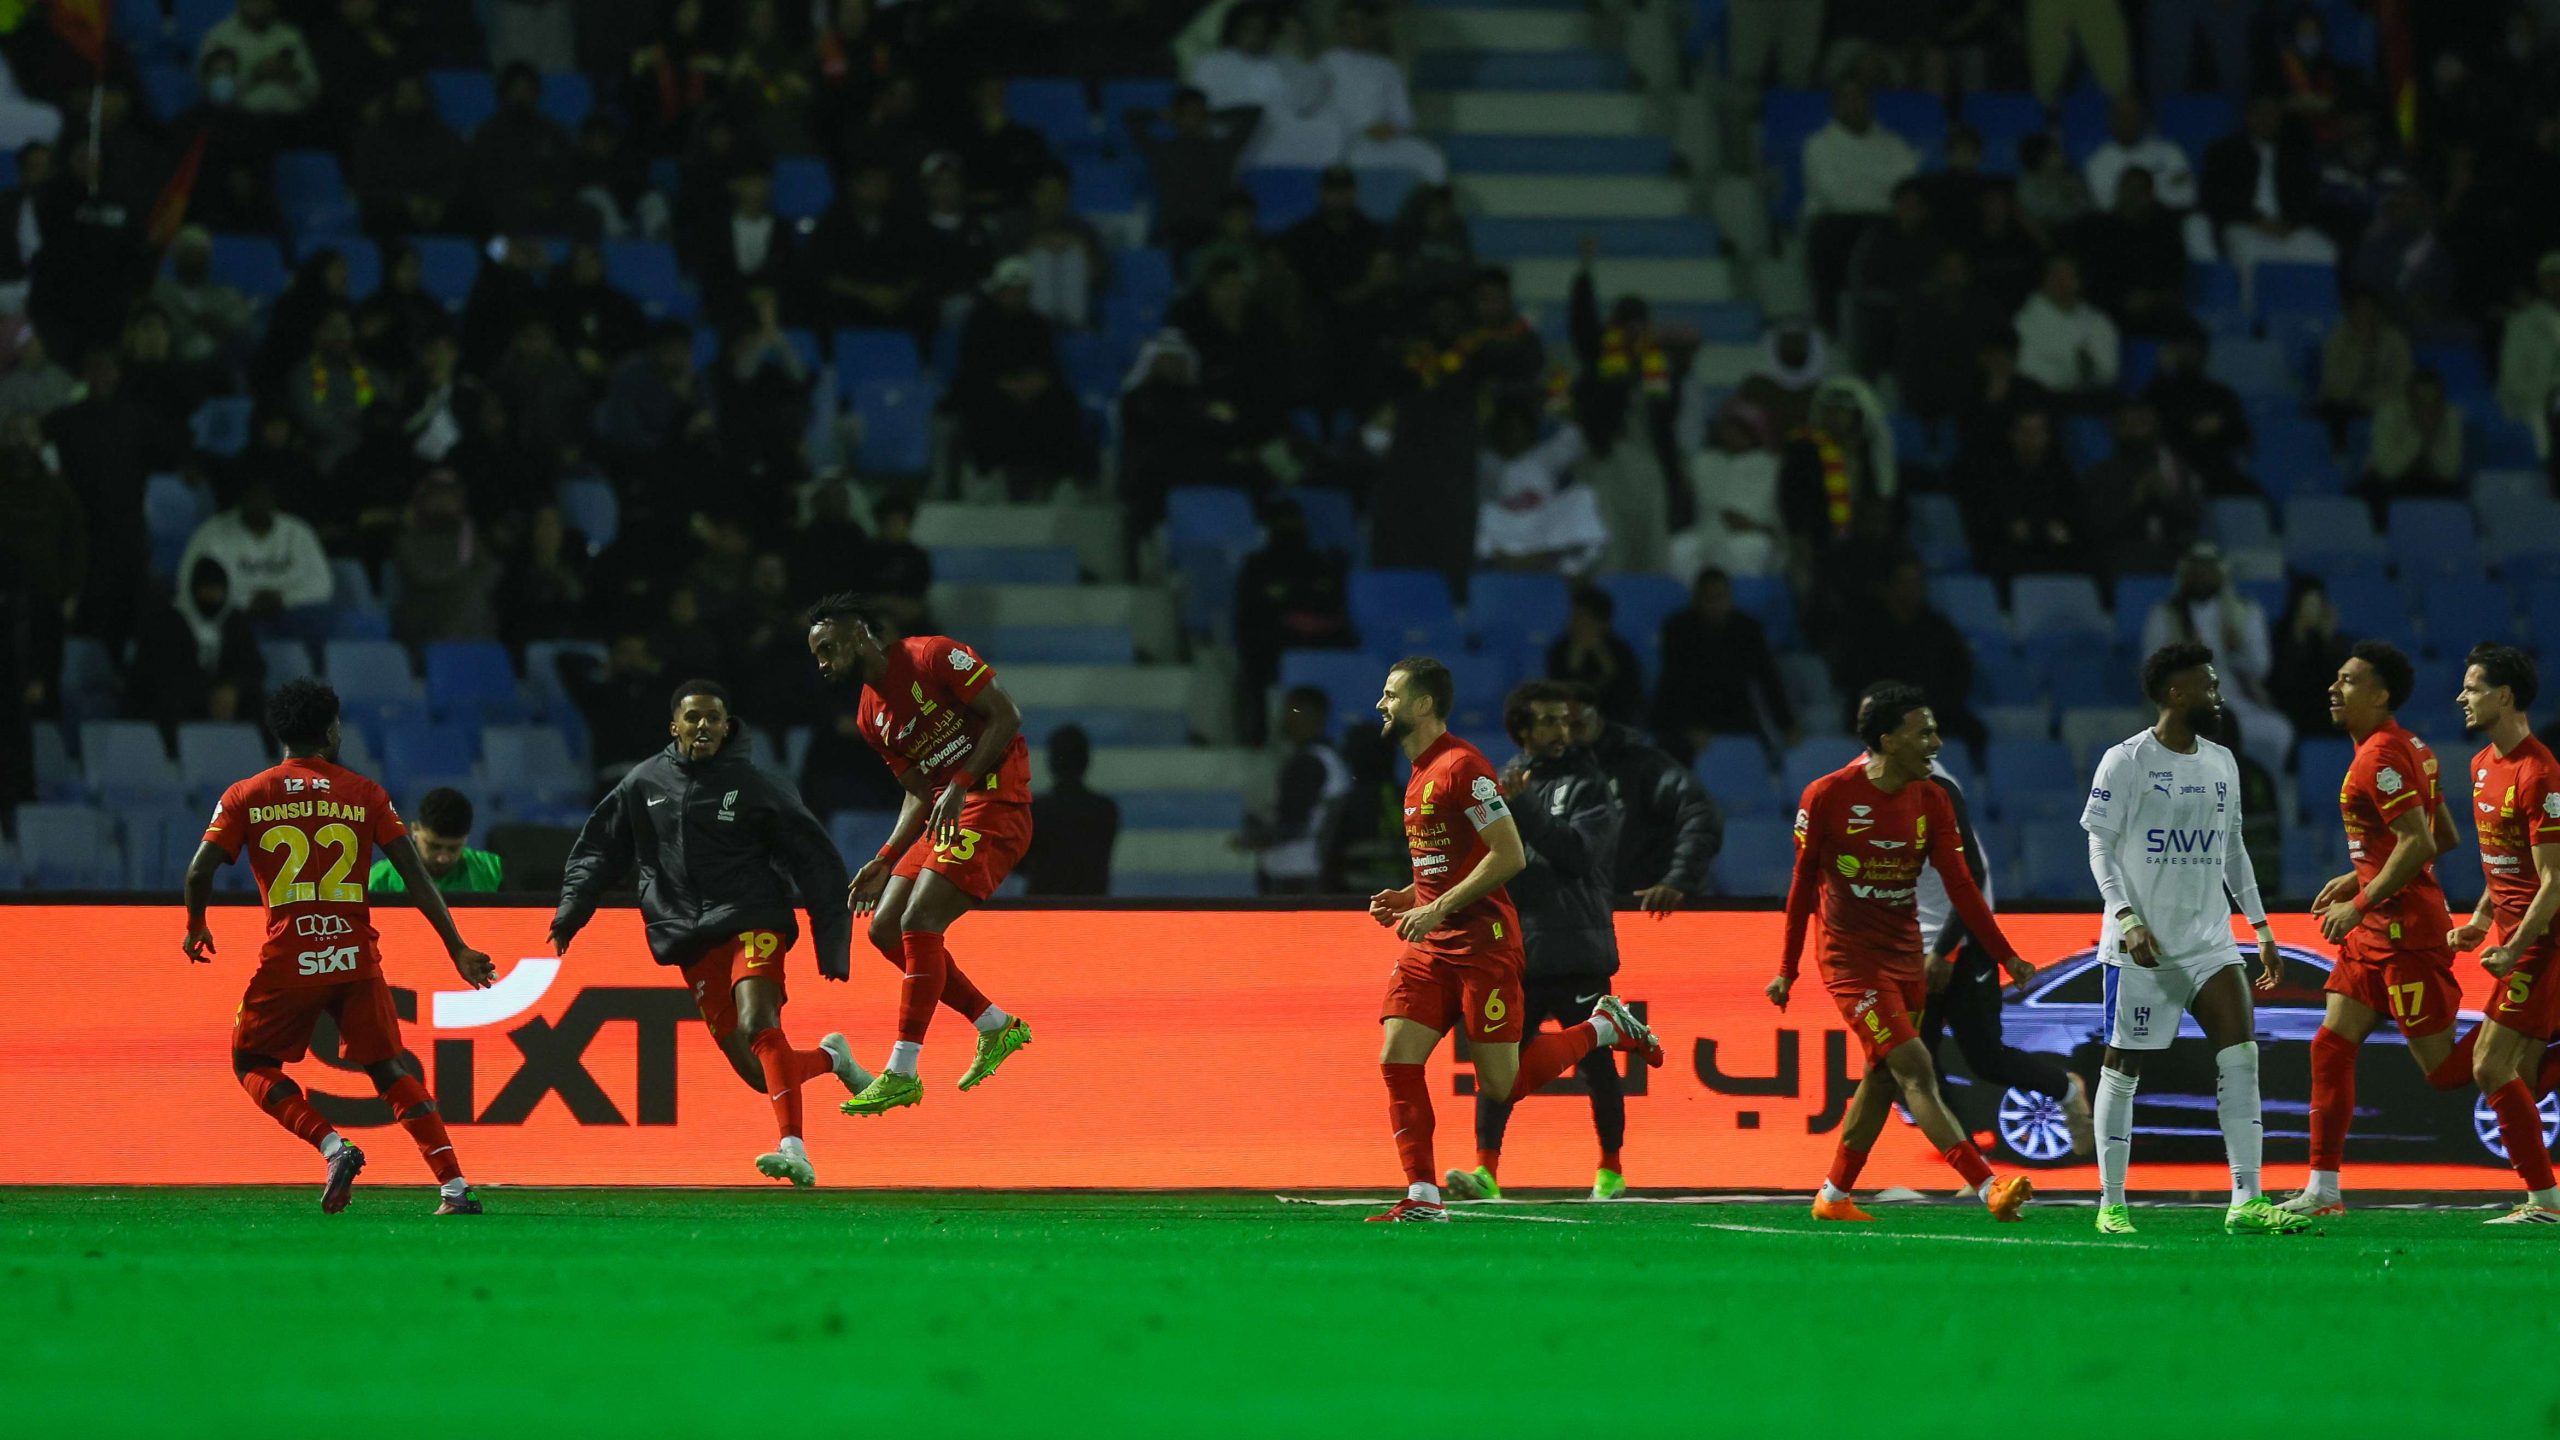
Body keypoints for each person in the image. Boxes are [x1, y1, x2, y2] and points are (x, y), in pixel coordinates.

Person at [181, 678, 497, 1215]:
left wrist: (197, 924)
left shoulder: (245, 795)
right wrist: (457, 947)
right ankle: (455, 1187)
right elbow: (416, 877)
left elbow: (199, 871)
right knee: (389, 1068)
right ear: (329, 731)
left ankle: (333, 1145)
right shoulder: (366, 794)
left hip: (289, 958)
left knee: (252, 1062)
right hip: (353, 955)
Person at [1363, 657, 1658, 1222]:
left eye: (1392, 694)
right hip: (1432, 944)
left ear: (1423, 704)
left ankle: (1603, 1028)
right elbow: (1450, 862)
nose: (1382, 704)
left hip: (1483, 944)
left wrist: (1437, 908)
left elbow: (1510, 854)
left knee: (1503, 1084)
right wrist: (1410, 897)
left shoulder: (1464, 768)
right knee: (1397, 1057)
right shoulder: (1422, 771)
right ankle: (1423, 1196)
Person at [552, 680, 865, 1188]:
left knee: (759, 1024)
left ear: (726, 725)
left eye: (714, 718)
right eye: (693, 717)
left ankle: (794, 1148)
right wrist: (572, 908)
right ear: (673, 725)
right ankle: (833, 1058)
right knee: (756, 1070)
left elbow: (813, 857)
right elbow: (600, 849)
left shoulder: (757, 783)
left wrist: (831, 940)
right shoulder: (642, 783)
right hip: (689, 936)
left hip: (753, 915)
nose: (704, 726)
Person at [1768, 682, 2036, 1224]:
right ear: (1888, 741)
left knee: (1883, 1076)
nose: (1936, 742)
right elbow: (1801, 887)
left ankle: (1834, 1195)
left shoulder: (1932, 797)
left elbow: (1963, 885)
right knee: (1914, 1065)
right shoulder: (1827, 796)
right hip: (1849, 958)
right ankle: (1989, 1188)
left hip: (1905, 953)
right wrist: (1786, 968)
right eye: (1924, 732)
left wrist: (2005, 954)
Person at [2079, 643, 2306, 1236]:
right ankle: (2110, 1203)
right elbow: (2099, 845)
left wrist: (2259, 926)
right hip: (2143, 945)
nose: (2217, 694)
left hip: (2210, 941)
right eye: (2206, 684)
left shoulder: (2223, 762)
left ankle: (2247, 1199)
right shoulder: (2124, 761)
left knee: (2243, 1053)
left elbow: (2233, 851)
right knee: (2123, 1066)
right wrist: (2126, 917)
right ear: (2175, 693)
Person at [804, 595, 1034, 1115]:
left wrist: (959, 781)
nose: (822, 663)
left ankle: (901, 1070)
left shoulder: (934, 655)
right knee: (883, 929)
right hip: (950, 810)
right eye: (816, 655)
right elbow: (917, 791)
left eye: (827, 648)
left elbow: (1006, 716)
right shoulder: (869, 715)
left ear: (859, 633)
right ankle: (995, 1026)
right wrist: (885, 858)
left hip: (996, 800)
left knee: (919, 919)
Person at [2278, 642, 2473, 1217]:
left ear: (2380, 694)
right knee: (2330, 1047)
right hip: (2377, 934)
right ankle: (2323, 1190)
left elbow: (2419, 842)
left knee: (2447, 1073)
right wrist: (2357, 874)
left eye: (2348, 681)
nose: (2334, 690)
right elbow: (2443, 838)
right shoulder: (2410, 746)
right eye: (2335, 679)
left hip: (2403, 935)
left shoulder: (2380, 759)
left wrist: (2360, 901)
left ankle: (2530, 1041)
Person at [1447, 680, 1638, 1204]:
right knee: (1497, 1059)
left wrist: (1523, 812)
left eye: (1564, 719)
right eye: (1548, 721)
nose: (1561, 730)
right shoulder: (1503, 785)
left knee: (1597, 1064)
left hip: (1577, 948)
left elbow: (1577, 854)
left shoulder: (1591, 786)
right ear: (1523, 731)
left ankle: (1611, 1172)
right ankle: (1485, 1171)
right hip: (1518, 949)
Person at [1912, 742, 2092, 1161]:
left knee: (1986, 1059)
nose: (1932, 742)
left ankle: (2065, 1088)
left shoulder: (1938, 788)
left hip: (1963, 942)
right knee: (1917, 1063)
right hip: (1915, 949)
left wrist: (1947, 950)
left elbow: (1971, 877)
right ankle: (1970, 1167)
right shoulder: (1865, 784)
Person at [2450, 643, 2560, 1224]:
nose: (2461, 698)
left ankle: (2543, 1200)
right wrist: (2479, 922)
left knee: (2491, 1066)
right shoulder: (2481, 766)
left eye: (2471, 688)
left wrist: (2515, 945)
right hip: (2515, 938)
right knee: (2515, 1071)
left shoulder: (2541, 773)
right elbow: (2504, 864)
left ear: (2505, 696)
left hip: (2543, 942)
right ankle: (2541, 1197)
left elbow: (2553, 881)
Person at [2141, 542, 2289, 774]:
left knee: (2278, 731)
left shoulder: (2244, 612)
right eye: (2196, 568)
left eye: (2208, 567)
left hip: (2237, 703)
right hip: (2187, 704)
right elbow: (2151, 670)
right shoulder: (2165, 614)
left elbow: (2261, 668)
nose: (2202, 575)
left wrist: (2236, 648)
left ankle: (2258, 792)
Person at [1571, 689, 1719, 912]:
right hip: (1575, 914)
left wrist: (1677, 880)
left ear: (1597, 717)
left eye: (1578, 722)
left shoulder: (1642, 765)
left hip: (1641, 908)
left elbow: (1698, 814)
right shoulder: (1537, 777)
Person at [1652, 568, 1795, 760]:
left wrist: (1787, 724)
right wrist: (1689, 726)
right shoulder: (1679, 629)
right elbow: (1673, 682)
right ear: (1697, 599)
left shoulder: (1747, 630)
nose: (1716, 605)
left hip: (1735, 711)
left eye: (1721, 597)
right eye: (1709, 598)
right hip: (1689, 710)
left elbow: (1768, 679)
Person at [1316, 1, 1444, 183]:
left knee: (1431, 159)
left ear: (1371, 27)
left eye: (1361, 24)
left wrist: (1390, 128)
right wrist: (1358, 128)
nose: (1356, 30)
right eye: (1350, 25)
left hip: (1378, 144)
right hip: (1340, 144)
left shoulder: (1387, 68)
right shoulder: (1327, 63)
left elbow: (1404, 117)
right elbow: (1317, 109)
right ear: (1341, 28)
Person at [175, 476, 334, 621]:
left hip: (292, 615)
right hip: (230, 618)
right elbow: (190, 585)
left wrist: (284, 599)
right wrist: (246, 601)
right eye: (253, 497)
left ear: (274, 499)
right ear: (241, 500)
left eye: (264, 497)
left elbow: (321, 584)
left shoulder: (298, 532)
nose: (259, 503)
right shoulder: (211, 533)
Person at [1476, 407, 1603, 575]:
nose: (1513, 435)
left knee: (1583, 496)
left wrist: (1560, 406)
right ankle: (1514, 563)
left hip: (1542, 528)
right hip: (1505, 530)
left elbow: (1574, 437)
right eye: (1507, 429)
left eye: (1518, 429)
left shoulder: (1543, 456)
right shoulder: (1486, 461)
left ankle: (1558, 564)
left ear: (1530, 432)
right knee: (1482, 514)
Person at [1256, 685, 1351, 894]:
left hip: (1293, 873)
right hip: (1310, 871)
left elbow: (1295, 823)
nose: (1286, 719)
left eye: (1293, 711)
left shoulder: (1308, 763)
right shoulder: (1331, 759)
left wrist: (1258, 837)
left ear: (1315, 716)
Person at [1022, 725, 1119, 897]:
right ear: (1086, 761)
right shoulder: (1105, 809)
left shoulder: (1035, 810)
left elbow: (1020, 864)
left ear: (1051, 762)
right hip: (1091, 908)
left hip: (1042, 908)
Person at [367, 787, 504, 894]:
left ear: (465, 838)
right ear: (415, 829)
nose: (443, 858)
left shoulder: (493, 870)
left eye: (453, 848)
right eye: (433, 846)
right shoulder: (380, 880)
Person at [1545, 585, 1644, 731]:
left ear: (1603, 623)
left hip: (1612, 724)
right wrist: (1573, 666)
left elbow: (1629, 695)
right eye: (1574, 617)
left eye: (1584, 619)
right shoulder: (1560, 649)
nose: (1575, 623)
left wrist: (1607, 666)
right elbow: (1556, 694)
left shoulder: (1621, 651)